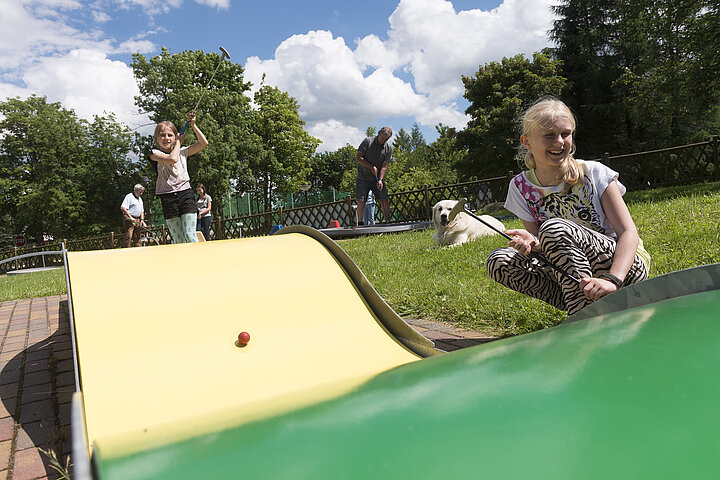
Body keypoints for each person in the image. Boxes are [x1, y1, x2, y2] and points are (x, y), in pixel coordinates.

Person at [486, 97, 650, 315]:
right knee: (500, 260)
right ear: (526, 142)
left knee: (553, 228)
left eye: (566, 133)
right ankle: (586, 308)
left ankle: (585, 319)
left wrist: (614, 279)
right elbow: (545, 248)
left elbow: (629, 233)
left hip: (622, 268)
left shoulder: (593, 173)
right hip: (573, 277)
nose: (560, 141)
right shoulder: (520, 187)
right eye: (549, 135)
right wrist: (532, 243)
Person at [149, 113, 208, 244]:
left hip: (185, 195)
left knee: (190, 234)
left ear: (175, 136)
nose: (166, 138)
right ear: (156, 139)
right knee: (179, 239)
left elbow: (203, 143)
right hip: (168, 198)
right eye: (162, 135)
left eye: (170, 135)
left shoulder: (183, 151)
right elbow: (172, 159)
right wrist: (178, 142)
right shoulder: (154, 154)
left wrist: (193, 125)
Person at [356, 127, 392, 225]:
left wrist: (380, 179)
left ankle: (388, 222)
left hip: (377, 178)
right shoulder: (368, 141)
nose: (382, 141)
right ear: (379, 133)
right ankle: (360, 223)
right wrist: (371, 167)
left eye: (385, 139)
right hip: (363, 177)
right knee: (362, 200)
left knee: (383, 198)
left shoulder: (388, 148)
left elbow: (385, 165)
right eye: (382, 138)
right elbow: (358, 157)